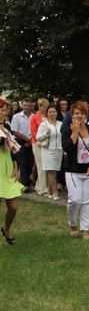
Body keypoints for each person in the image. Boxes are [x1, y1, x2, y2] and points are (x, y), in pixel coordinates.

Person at [61, 101, 89, 240]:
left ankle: (85, 229)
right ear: (72, 115)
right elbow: (67, 148)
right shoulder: (67, 130)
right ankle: (72, 224)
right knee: (75, 200)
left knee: (87, 201)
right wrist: (75, 131)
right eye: (76, 113)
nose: (79, 116)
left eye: (82, 113)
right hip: (73, 171)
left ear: (86, 115)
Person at [0, 98, 24, 245]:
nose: (4, 113)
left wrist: (16, 168)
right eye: (1, 111)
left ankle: (6, 227)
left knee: (13, 206)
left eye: (5, 111)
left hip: (7, 167)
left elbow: (14, 150)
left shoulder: (6, 128)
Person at [36, 105, 63, 200]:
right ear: (47, 114)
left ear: (56, 113)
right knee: (50, 171)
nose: (52, 114)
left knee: (55, 171)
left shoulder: (60, 124)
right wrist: (46, 133)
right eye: (50, 112)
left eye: (54, 112)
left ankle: (49, 191)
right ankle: (55, 192)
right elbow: (38, 138)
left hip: (58, 150)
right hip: (47, 150)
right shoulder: (44, 124)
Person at [11, 97, 34, 190]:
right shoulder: (16, 117)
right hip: (20, 141)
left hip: (32, 141)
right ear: (22, 105)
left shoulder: (34, 116)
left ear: (31, 106)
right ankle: (25, 185)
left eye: (28, 105)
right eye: (25, 105)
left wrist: (30, 141)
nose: (26, 107)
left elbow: (36, 130)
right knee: (23, 163)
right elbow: (15, 131)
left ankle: (28, 180)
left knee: (30, 163)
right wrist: (27, 140)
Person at [30, 97, 50, 195]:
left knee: (45, 166)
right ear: (39, 106)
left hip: (46, 144)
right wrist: (40, 140)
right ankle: (43, 189)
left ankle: (39, 186)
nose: (44, 109)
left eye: (46, 107)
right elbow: (33, 132)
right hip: (37, 144)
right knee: (41, 166)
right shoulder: (34, 117)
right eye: (43, 107)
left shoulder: (48, 116)